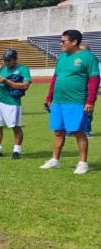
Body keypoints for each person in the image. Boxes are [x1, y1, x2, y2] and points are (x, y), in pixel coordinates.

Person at [40, 30, 100, 174]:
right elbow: (55, 78)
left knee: (78, 132)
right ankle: (55, 160)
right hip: (58, 101)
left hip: (76, 101)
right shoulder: (61, 57)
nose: (60, 44)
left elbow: (94, 80)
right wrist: (49, 97)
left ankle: (83, 163)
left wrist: (90, 101)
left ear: (74, 42)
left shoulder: (88, 57)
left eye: (63, 41)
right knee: (58, 131)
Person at [0, 49, 31, 159]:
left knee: (15, 127)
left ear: (15, 59)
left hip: (12, 102)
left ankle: (16, 150)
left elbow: (25, 85)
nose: (6, 62)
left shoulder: (23, 69)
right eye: (4, 60)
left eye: (8, 60)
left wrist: (7, 82)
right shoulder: (2, 68)